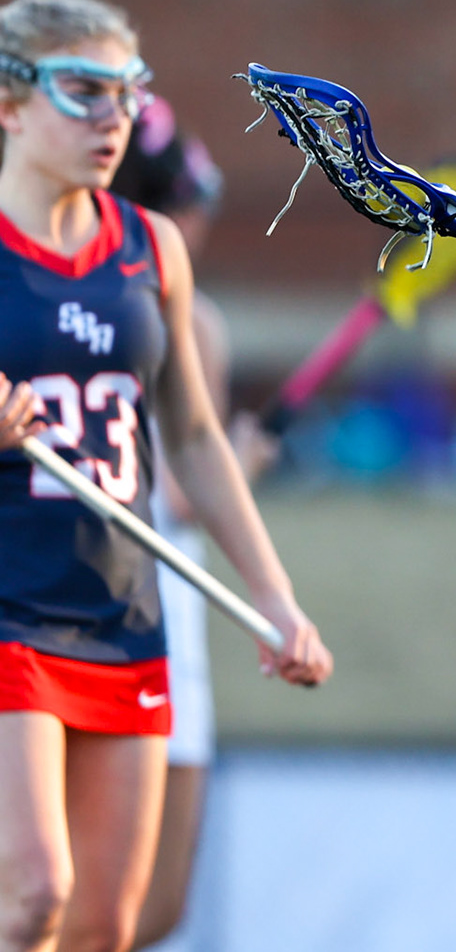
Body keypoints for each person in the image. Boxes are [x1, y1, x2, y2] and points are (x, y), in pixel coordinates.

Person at [0, 0, 330, 952]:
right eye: (83, 92)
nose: (114, 119)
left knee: (107, 927)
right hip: (8, 607)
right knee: (34, 894)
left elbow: (191, 438)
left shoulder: (153, 251)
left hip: (121, 613)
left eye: (127, 94)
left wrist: (276, 596)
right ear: (10, 104)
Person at [107, 99, 276, 950]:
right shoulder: (188, 319)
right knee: (135, 904)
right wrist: (240, 468)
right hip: (148, 607)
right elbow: (174, 494)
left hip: (154, 608)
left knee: (138, 908)